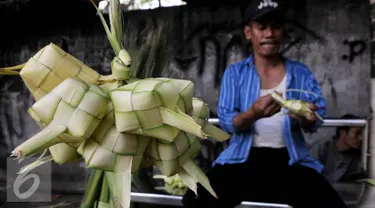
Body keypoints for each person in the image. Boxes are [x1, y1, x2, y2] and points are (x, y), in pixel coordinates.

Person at [182, 0, 349, 207]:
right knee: (194, 200)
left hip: (290, 159)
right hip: (244, 159)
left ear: (283, 31)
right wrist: (252, 113)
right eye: (261, 27)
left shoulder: (300, 72)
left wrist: (306, 118)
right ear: (248, 32)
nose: (269, 33)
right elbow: (227, 123)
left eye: (276, 26)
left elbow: (316, 118)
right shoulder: (235, 73)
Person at [310, 114, 365, 184]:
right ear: (343, 133)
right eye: (357, 133)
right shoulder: (322, 148)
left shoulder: (357, 156)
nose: (361, 138)